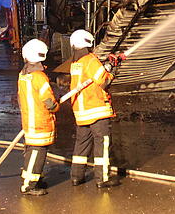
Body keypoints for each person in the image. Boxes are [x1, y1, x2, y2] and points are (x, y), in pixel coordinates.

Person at [68, 29, 120, 188]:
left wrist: (107, 66)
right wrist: (114, 68)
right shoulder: (90, 60)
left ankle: (76, 177)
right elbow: (104, 82)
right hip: (96, 109)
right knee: (102, 144)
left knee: (81, 145)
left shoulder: (75, 63)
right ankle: (102, 179)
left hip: (81, 112)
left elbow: (92, 77)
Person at [17, 38, 59, 196]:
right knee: (37, 152)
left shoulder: (23, 75)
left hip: (29, 121)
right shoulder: (40, 77)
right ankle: (29, 185)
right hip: (40, 121)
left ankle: (36, 178)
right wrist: (55, 106)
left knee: (31, 152)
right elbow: (48, 99)